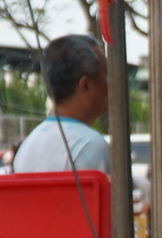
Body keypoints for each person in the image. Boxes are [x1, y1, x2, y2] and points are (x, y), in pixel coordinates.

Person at [12, 34, 112, 175]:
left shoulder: (28, 145)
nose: (110, 84)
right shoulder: (91, 145)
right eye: (106, 74)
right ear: (85, 85)